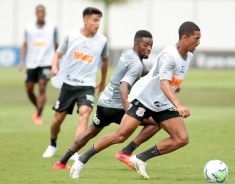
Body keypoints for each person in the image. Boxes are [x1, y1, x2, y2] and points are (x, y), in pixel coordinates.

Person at [70, 21, 201, 179]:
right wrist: (178, 105)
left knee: (182, 138)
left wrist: (175, 87)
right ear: (185, 38)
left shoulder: (189, 56)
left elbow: (169, 80)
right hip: (144, 99)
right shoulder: (170, 55)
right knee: (120, 135)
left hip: (162, 103)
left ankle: (140, 158)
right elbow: (163, 83)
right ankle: (81, 160)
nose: (198, 42)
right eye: (196, 38)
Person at [53, 30, 161, 169]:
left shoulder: (129, 54)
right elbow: (123, 87)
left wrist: (165, 81)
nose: (149, 49)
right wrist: (129, 111)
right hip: (117, 107)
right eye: (146, 45)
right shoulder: (137, 64)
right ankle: (126, 152)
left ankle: (61, 162)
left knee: (90, 131)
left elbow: (147, 75)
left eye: (151, 45)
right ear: (136, 44)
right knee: (156, 123)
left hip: (104, 103)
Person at [42, 7, 108, 158]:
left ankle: (74, 151)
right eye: (94, 20)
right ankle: (53, 143)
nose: (98, 24)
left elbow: (104, 61)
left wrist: (103, 81)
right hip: (69, 83)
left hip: (87, 85)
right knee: (57, 119)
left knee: (84, 115)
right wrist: (54, 67)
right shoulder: (71, 36)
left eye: (99, 20)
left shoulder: (102, 40)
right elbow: (57, 55)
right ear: (85, 21)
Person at [18, 4, 59, 125]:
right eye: (38, 12)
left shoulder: (52, 27)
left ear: (45, 13)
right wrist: (21, 61)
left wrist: (57, 61)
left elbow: (56, 44)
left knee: (42, 86)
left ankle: (38, 115)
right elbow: (25, 44)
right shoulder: (29, 27)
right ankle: (38, 107)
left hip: (46, 61)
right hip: (31, 63)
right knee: (29, 89)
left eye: (42, 12)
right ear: (36, 14)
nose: (40, 14)